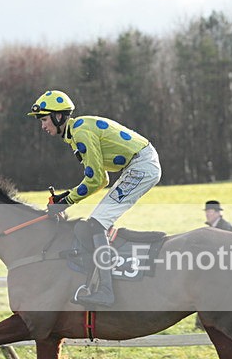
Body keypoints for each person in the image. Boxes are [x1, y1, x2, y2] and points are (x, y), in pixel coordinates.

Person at [27, 89, 161, 306]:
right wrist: (65, 198)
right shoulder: (75, 134)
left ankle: (106, 290)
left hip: (142, 166)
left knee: (97, 222)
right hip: (138, 165)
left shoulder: (80, 133)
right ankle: (101, 281)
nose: (42, 126)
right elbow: (101, 179)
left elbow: (96, 179)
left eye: (44, 119)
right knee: (94, 223)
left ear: (58, 116)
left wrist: (66, 200)